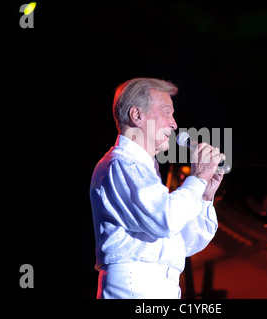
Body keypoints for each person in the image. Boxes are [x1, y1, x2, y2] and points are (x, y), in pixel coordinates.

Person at [90, 77, 225, 299]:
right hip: (134, 288)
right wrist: (198, 178)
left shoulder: (145, 171)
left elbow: (185, 243)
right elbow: (165, 219)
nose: (174, 124)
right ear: (137, 115)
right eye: (166, 112)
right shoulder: (121, 163)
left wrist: (204, 196)